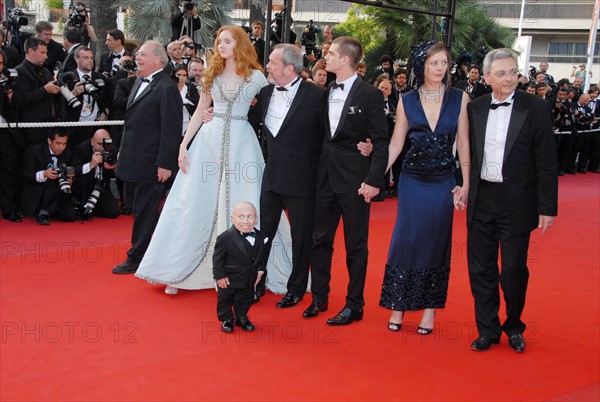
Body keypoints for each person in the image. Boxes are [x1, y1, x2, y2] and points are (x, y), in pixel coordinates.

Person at [134, 26, 293, 296]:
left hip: (243, 145)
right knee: (193, 202)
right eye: (219, 41)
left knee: (246, 200)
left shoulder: (255, 77)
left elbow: (278, 105)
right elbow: (199, 111)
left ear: (239, 44)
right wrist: (183, 145)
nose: (221, 45)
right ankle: (182, 270)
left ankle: (246, 270)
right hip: (208, 142)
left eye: (227, 41)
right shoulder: (212, 73)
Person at [467, 48, 557, 353]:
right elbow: (466, 154)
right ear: (488, 76)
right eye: (502, 73)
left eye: (513, 72)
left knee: (514, 269)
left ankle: (514, 325)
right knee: (481, 268)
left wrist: (547, 206)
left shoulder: (535, 108)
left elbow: (546, 160)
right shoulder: (475, 108)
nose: (509, 78)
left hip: (517, 200)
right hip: (482, 198)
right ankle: (487, 329)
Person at [379, 41, 470, 334]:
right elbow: (396, 143)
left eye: (444, 63)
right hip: (413, 180)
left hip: (443, 181)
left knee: (436, 242)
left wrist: (464, 183)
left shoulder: (460, 98)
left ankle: (429, 311)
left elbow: (464, 144)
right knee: (406, 239)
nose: (440, 69)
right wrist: (374, 175)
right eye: (434, 63)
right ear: (421, 65)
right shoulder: (406, 100)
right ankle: (398, 304)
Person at [303, 36, 389, 325]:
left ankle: (355, 304)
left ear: (346, 60)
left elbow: (381, 140)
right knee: (320, 239)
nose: (325, 57)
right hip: (325, 176)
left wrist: (374, 179)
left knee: (355, 244)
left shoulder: (370, 95)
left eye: (331, 53)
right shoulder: (325, 91)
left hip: (355, 180)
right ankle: (319, 297)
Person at [112, 40, 183, 274]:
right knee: (134, 206)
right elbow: (130, 123)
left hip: (152, 163)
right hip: (133, 157)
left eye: (142, 54)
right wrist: (123, 149)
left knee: (145, 211)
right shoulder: (138, 82)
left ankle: (137, 258)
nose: (137, 58)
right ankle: (149, 249)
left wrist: (165, 163)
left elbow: (171, 129)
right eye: (137, 54)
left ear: (158, 59)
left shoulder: (167, 87)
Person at [214, 201, 268, 333]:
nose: (245, 220)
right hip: (229, 279)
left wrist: (261, 270)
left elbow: (262, 256)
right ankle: (226, 319)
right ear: (233, 218)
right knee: (225, 300)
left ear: (256, 219)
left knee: (245, 299)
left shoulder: (261, 237)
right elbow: (217, 259)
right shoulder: (224, 238)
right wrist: (220, 276)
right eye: (241, 216)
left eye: (249, 217)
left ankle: (241, 317)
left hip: (249, 278)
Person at [21, 129, 81, 225]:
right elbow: (26, 175)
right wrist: (44, 174)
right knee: (52, 181)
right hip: (39, 191)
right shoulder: (34, 151)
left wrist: (70, 180)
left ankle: (50, 209)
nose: (61, 147)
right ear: (49, 141)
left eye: (64, 144)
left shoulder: (68, 153)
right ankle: (44, 211)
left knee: (70, 216)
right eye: (58, 143)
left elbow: (75, 173)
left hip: (59, 192)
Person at [72, 129, 120, 220]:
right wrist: (90, 165)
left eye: (106, 144)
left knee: (114, 212)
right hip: (84, 186)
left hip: (102, 187)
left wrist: (114, 167)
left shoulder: (113, 151)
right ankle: (82, 206)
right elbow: (74, 170)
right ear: (92, 142)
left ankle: (92, 207)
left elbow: (122, 172)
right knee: (81, 213)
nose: (103, 147)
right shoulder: (81, 149)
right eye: (99, 144)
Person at [171, 64, 199, 135]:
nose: (181, 78)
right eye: (178, 75)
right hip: (173, 124)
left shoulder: (191, 88)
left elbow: (197, 102)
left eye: (184, 75)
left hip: (188, 123)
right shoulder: (169, 88)